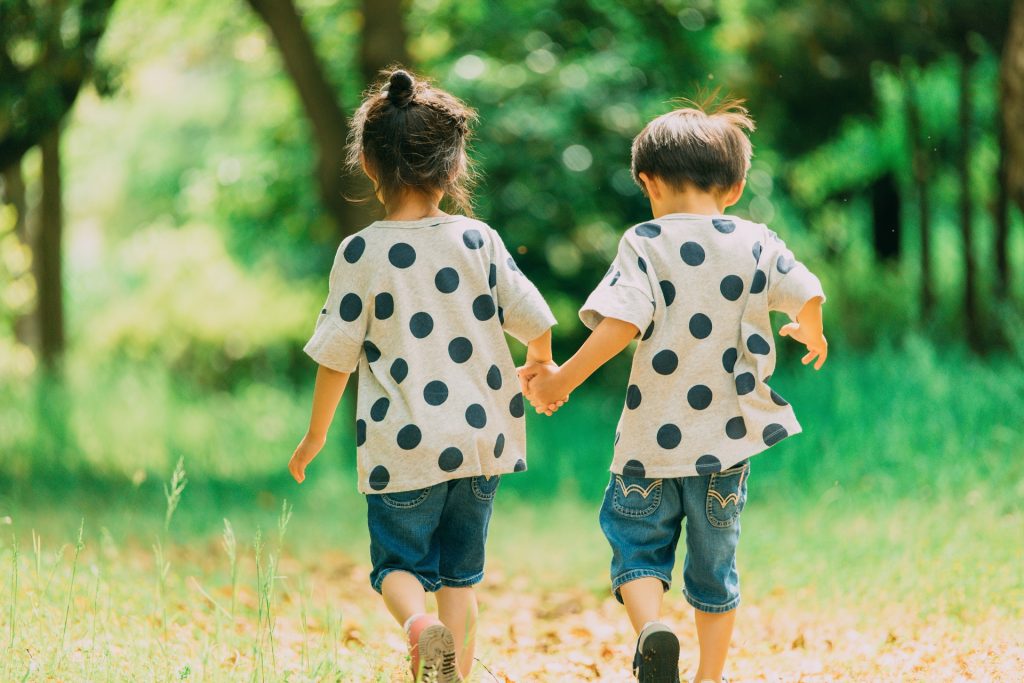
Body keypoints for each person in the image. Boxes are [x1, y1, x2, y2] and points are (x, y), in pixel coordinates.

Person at [520, 99, 827, 683]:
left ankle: (652, 629)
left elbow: (620, 325)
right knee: (717, 569)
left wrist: (559, 380)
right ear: (734, 187)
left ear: (647, 182)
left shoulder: (645, 241)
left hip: (648, 442)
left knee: (636, 546)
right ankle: (709, 677)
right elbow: (806, 288)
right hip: (726, 444)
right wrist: (810, 328)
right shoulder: (756, 241)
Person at [288, 68, 557, 682]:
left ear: (366, 160)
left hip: (401, 448)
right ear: (455, 165)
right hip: (480, 443)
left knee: (399, 567)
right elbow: (535, 319)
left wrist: (315, 435)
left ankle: (417, 627)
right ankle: (452, 674)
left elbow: (337, 355)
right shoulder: (479, 240)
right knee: (460, 577)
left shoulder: (361, 253)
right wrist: (540, 364)